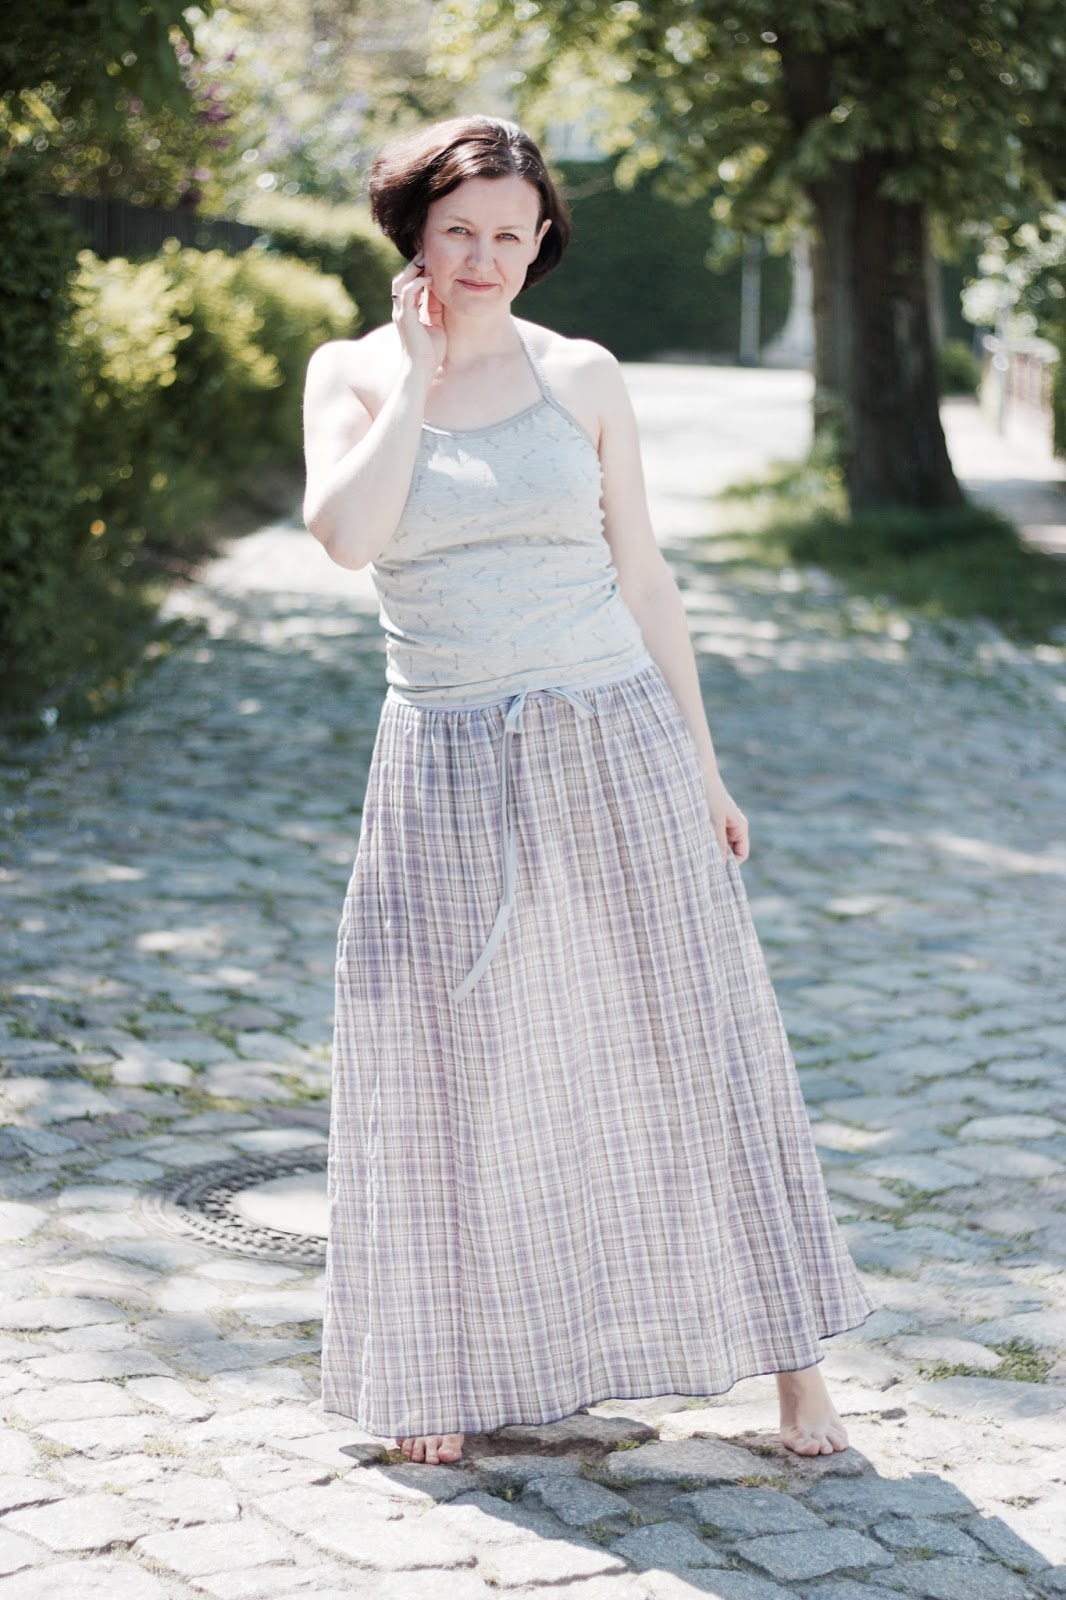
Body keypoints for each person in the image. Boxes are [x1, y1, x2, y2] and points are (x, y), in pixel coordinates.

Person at [302, 114, 876, 1470]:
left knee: (696, 1038)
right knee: (437, 1060)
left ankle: (795, 1373)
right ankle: (435, 1368)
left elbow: (645, 576)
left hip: (614, 736)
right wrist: (421, 381)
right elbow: (346, 537)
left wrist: (703, 764)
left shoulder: (586, 375)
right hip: (444, 756)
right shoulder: (354, 372)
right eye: (459, 232)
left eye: (511, 235)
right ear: (414, 235)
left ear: (542, 239)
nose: (484, 259)